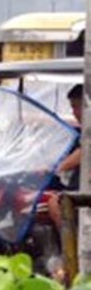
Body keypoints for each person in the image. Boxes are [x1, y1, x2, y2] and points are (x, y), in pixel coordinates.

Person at [47, 84, 83, 229]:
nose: (73, 113)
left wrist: (57, 167)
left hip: (83, 190)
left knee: (55, 203)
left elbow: (84, 152)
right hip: (77, 185)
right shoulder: (84, 130)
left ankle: (71, 249)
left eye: (76, 107)